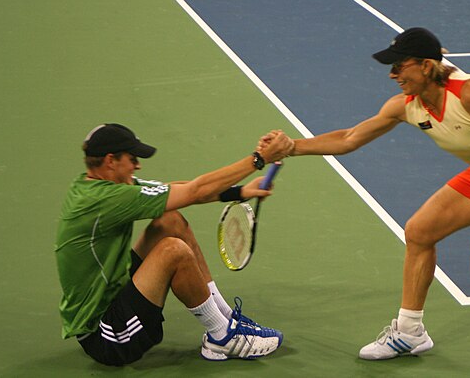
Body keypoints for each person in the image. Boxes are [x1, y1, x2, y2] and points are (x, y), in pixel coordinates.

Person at [262, 28, 470, 376]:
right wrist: (292, 147)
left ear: (426, 65)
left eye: (399, 66)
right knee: (419, 232)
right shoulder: (407, 106)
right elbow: (349, 139)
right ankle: (409, 332)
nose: (392, 75)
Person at [55, 123, 293, 366]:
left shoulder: (95, 185)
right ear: (110, 161)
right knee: (174, 251)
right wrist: (259, 159)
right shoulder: (104, 200)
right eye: (132, 158)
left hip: (115, 292)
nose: (137, 165)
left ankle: (225, 317)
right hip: (107, 334)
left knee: (170, 221)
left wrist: (239, 192)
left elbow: (173, 190)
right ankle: (222, 337)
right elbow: (194, 191)